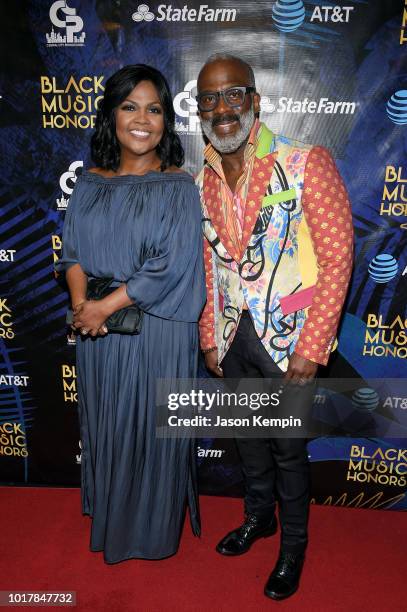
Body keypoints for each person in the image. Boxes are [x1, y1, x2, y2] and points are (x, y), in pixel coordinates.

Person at [196, 54, 353, 600]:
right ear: (199, 111)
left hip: (290, 341)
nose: (222, 109)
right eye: (209, 99)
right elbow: (212, 267)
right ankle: (258, 519)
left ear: (255, 100)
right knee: (248, 442)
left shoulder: (306, 161)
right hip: (234, 336)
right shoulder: (204, 182)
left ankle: (293, 547)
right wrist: (209, 334)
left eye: (233, 94)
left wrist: (313, 346)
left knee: (288, 449)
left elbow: (337, 259)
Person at [55, 64, 206, 563]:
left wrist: (104, 306)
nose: (143, 119)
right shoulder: (90, 184)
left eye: (155, 109)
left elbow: (171, 266)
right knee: (109, 428)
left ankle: (150, 535)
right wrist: (83, 309)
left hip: (157, 332)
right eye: (130, 106)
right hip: (99, 334)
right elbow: (72, 253)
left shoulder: (180, 187)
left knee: (151, 433)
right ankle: (114, 521)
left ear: (166, 121)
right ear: (111, 116)